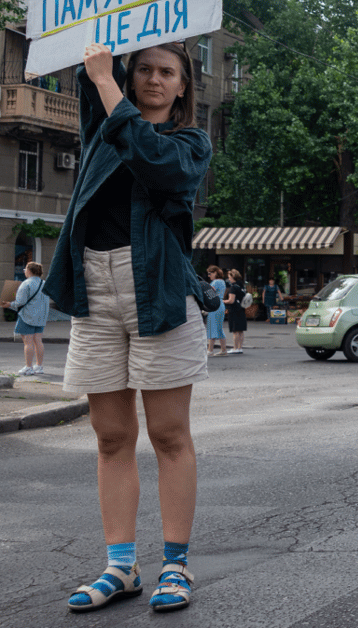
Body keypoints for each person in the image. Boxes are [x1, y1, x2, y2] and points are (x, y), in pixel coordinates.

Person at [44, 40, 212, 614]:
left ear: (184, 86)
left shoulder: (189, 143)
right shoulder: (102, 126)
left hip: (159, 293)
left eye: (168, 72)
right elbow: (100, 87)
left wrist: (110, 89)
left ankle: (174, 564)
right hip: (94, 288)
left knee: (168, 434)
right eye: (144, 69)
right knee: (111, 437)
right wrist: (101, 64)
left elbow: (153, 164)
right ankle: (121, 566)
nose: (154, 79)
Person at [5, 261, 49, 375]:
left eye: (25, 269)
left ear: (29, 271)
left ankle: (28, 367)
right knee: (38, 341)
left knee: (28, 342)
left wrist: (9, 304)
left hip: (27, 316)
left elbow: (20, 302)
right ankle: (39, 367)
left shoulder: (26, 284)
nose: (24, 271)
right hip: (41, 317)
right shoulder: (44, 283)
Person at [205, 265, 228, 356]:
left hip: (214, 305)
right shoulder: (222, 281)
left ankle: (210, 350)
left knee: (212, 327)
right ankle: (223, 350)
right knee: (219, 328)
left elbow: (209, 293)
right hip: (220, 304)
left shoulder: (215, 282)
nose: (208, 276)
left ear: (215, 273)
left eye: (210, 273)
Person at [223, 270, 247, 354]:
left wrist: (222, 301)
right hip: (242, 309)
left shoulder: (233, 287)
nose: (228, 279)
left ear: (233, 277)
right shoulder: (242, 286)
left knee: (235, 330)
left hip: (234, 310)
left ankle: (235, 348)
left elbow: (231, 300)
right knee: (240, 330)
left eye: (229, 277)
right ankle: (240, 348)